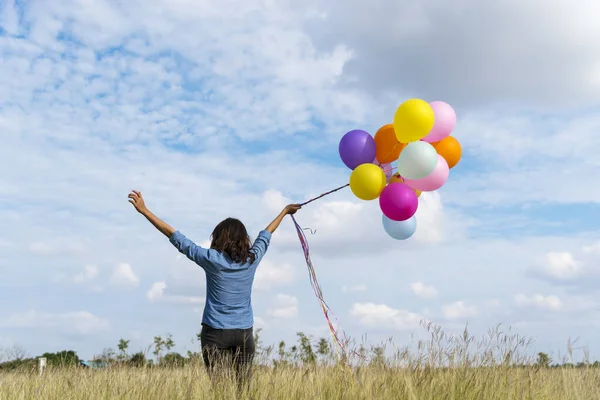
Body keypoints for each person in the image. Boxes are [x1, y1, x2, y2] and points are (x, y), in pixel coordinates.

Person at [128, 190, 300, 390]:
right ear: (244, 238)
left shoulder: (211, 259)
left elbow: (176, 237)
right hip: (244, 334)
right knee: (242, 389)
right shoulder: (251, 259)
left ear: (219, 237)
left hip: (215, 334)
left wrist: (144, 211)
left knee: (220, 390)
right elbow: (266, 234)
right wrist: (285, 211)